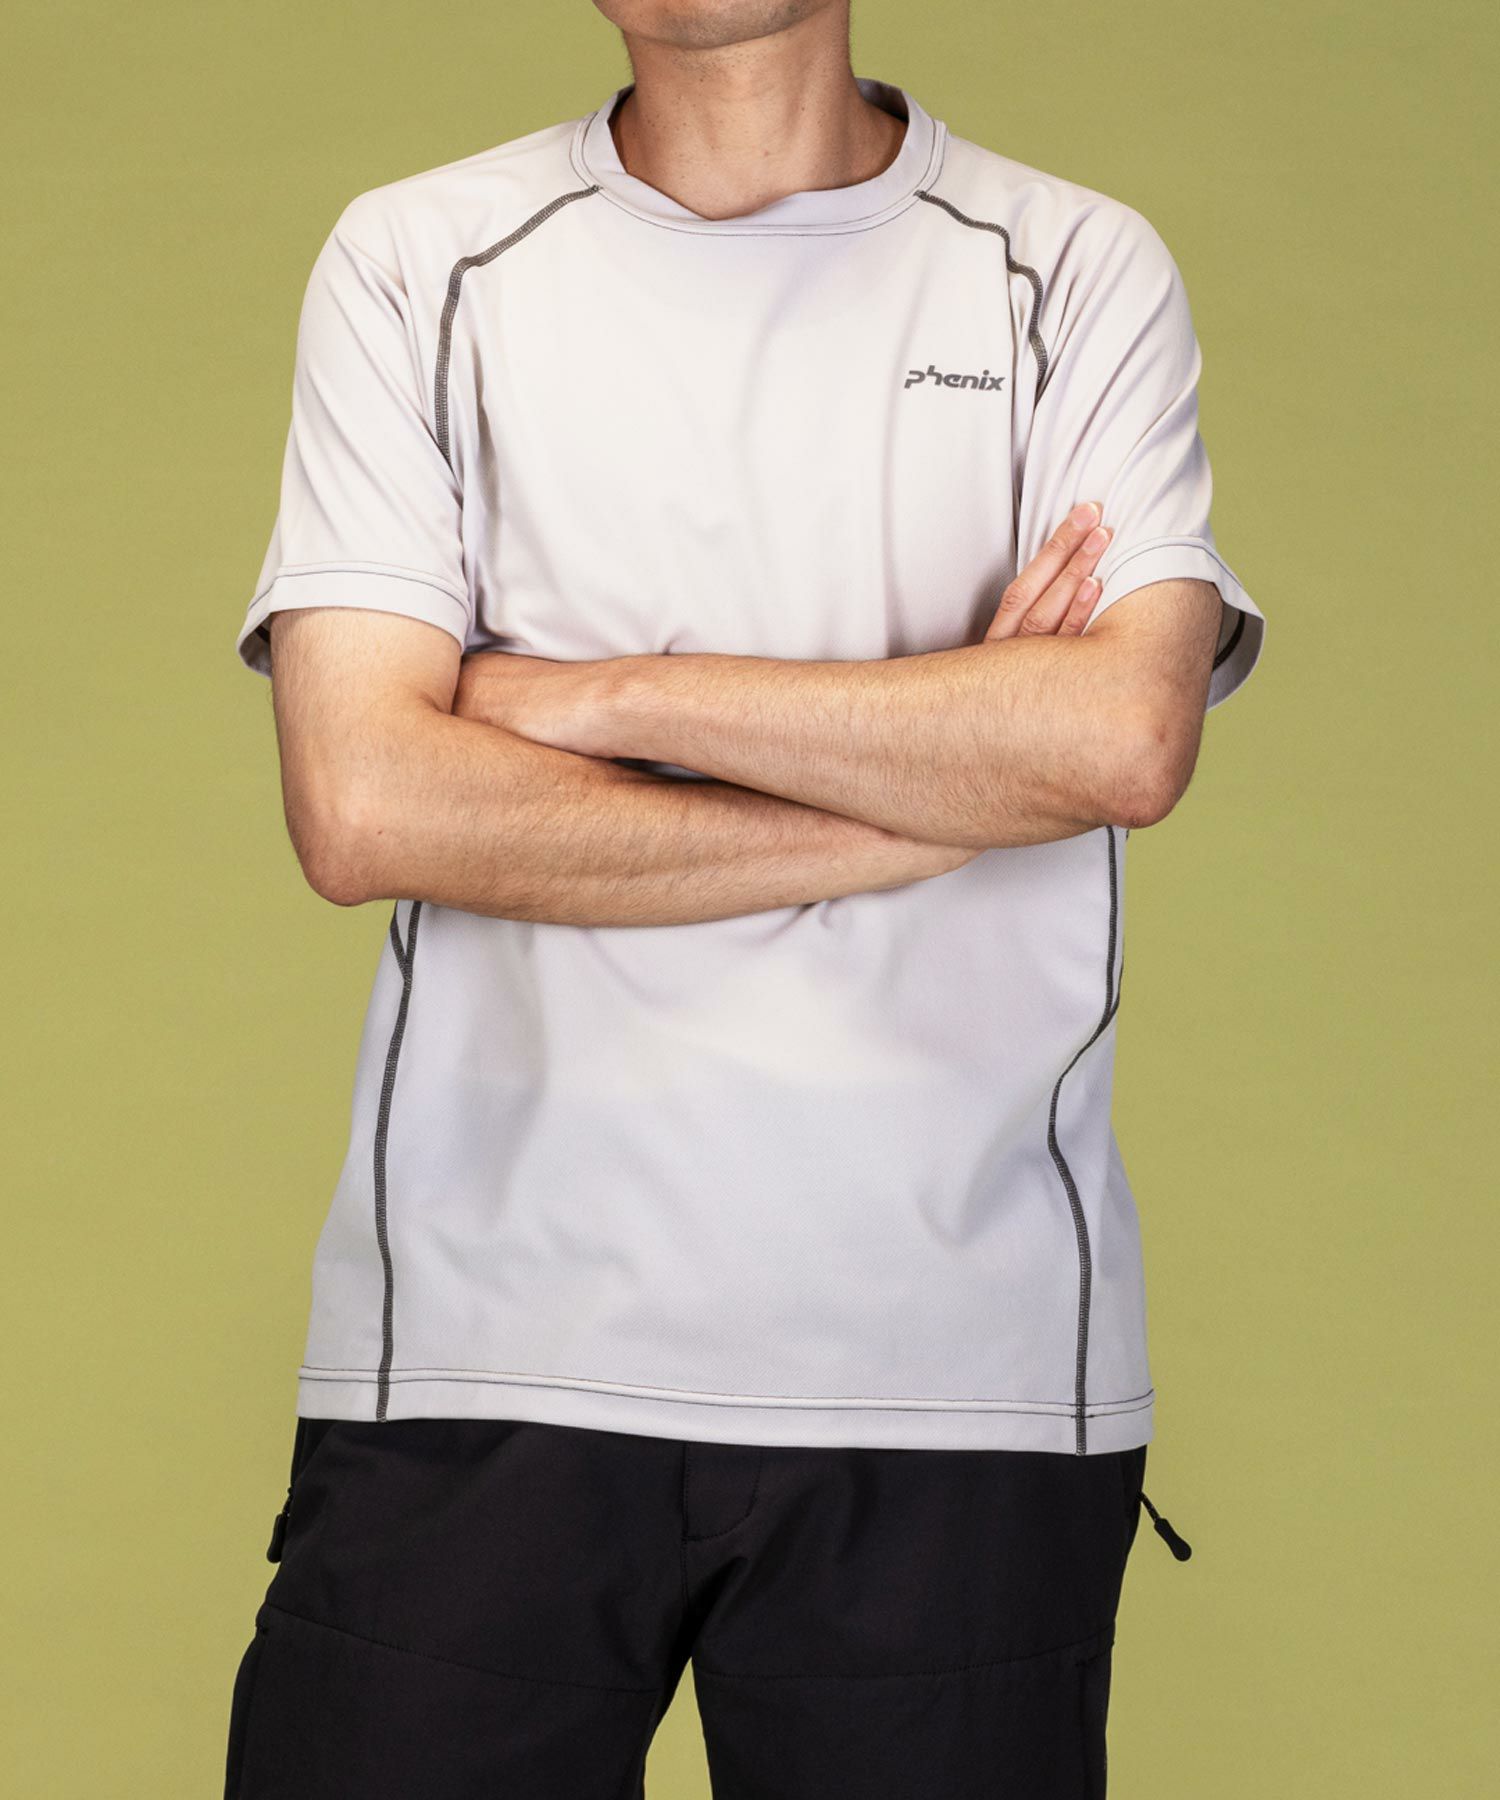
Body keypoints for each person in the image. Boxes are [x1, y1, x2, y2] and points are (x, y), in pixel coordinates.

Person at [222, 2, 1263, 1794]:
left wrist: (598, 696)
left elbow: (1117, 738)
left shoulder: (1070, 267)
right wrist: (925, 808)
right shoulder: (419, 260)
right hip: (483, 1356)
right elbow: (368, 802)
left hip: (960, 1370)